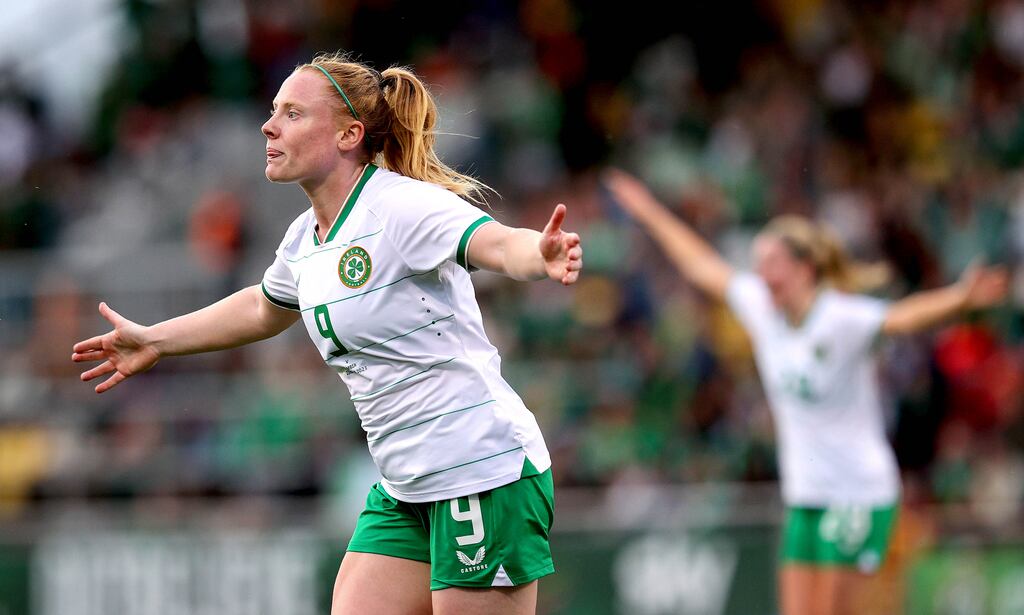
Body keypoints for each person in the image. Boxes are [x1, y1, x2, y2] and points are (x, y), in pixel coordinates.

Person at [72, 52, 582, 615]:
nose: (269, 126)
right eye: (273, 111)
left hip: (479, 473)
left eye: (292, 114)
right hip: (405, 487)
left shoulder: (402, 208)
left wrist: (540, 253)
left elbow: (498, 244)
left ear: (348, 134)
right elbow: (264, 309)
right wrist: (155, 340)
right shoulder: (303, 238)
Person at [604, 169, 1008, 615]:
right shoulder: (761, 306)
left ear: (805, 269)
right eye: (758, 264)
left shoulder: (839, 318)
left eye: (772, 264)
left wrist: (961, 298)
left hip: (856, 490)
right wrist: (648, 211)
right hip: (807, 494)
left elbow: (902, 317)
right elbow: (702, 266)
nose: (761, 275)